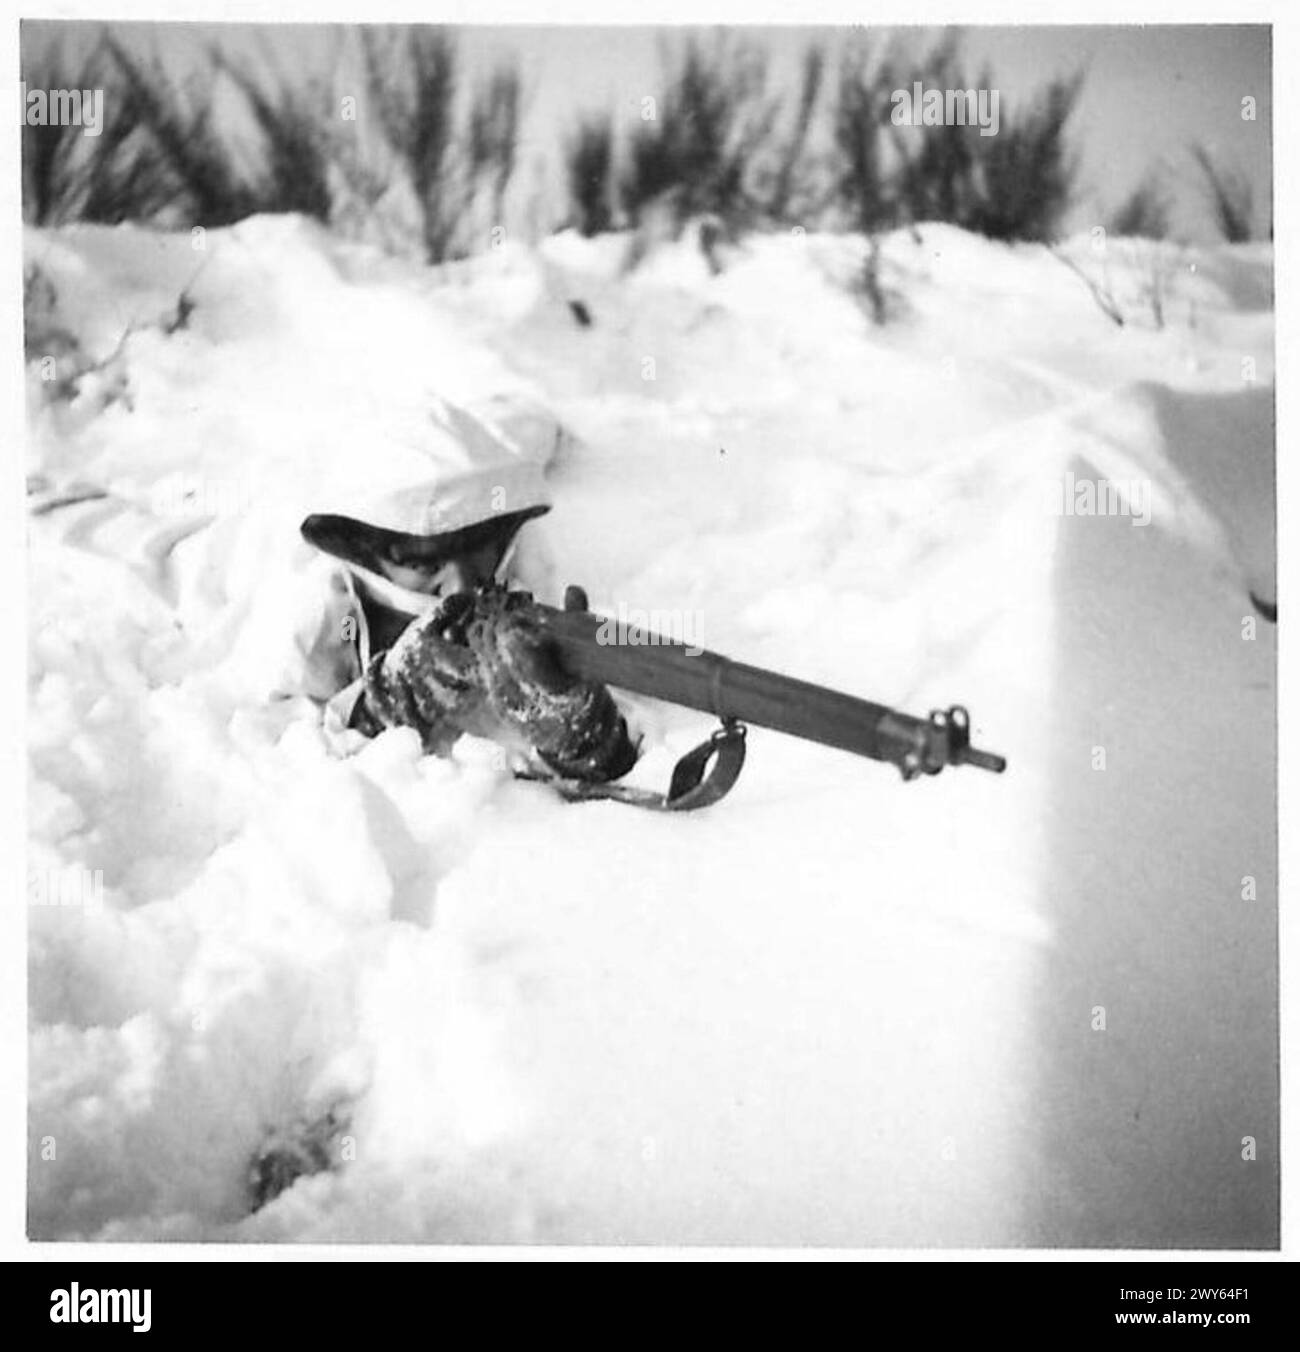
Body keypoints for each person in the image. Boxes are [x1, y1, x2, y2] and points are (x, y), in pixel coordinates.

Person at [298, 456, 640, 786]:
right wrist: (382, 704)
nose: (461, 587)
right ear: (365, 560)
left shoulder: (532, 580)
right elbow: (278, 768)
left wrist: (587, 738)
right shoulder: (323, 621)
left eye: (476, 558)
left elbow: (663, 752)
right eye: (425, 566)